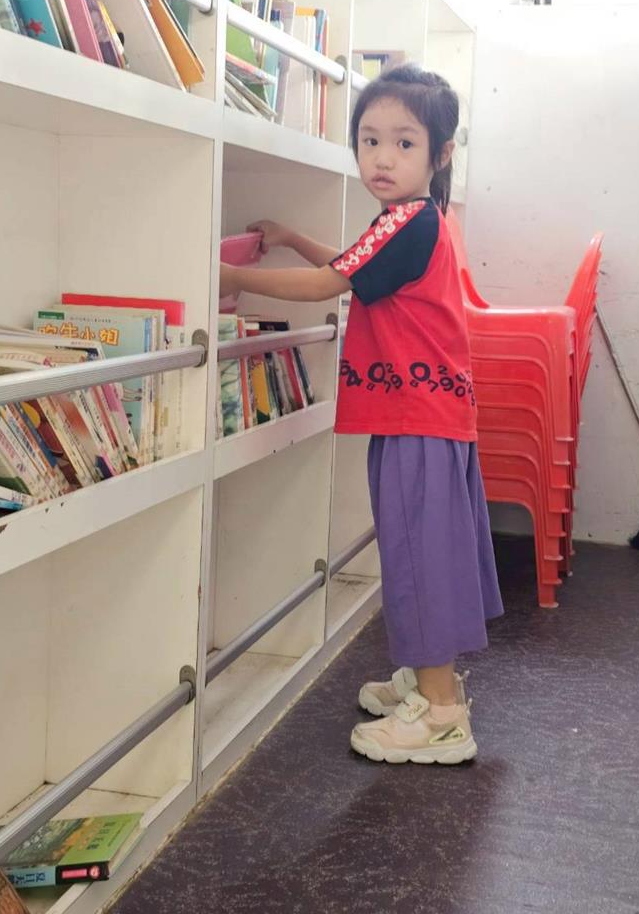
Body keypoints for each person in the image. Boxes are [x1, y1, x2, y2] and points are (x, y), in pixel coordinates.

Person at [219, 63, 503, 764]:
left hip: (417, 416)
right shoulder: (412, 219)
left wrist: (227, 275)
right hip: (425, 413)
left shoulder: (409, 221)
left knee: (420, 556)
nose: (382, 157)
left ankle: (440, 715)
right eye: (369, 140)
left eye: (404, 143)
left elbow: (330, 284)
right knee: (422, 549)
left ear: (440, 154)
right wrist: (292, 237)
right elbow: (352, 266)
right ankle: (428, 682)